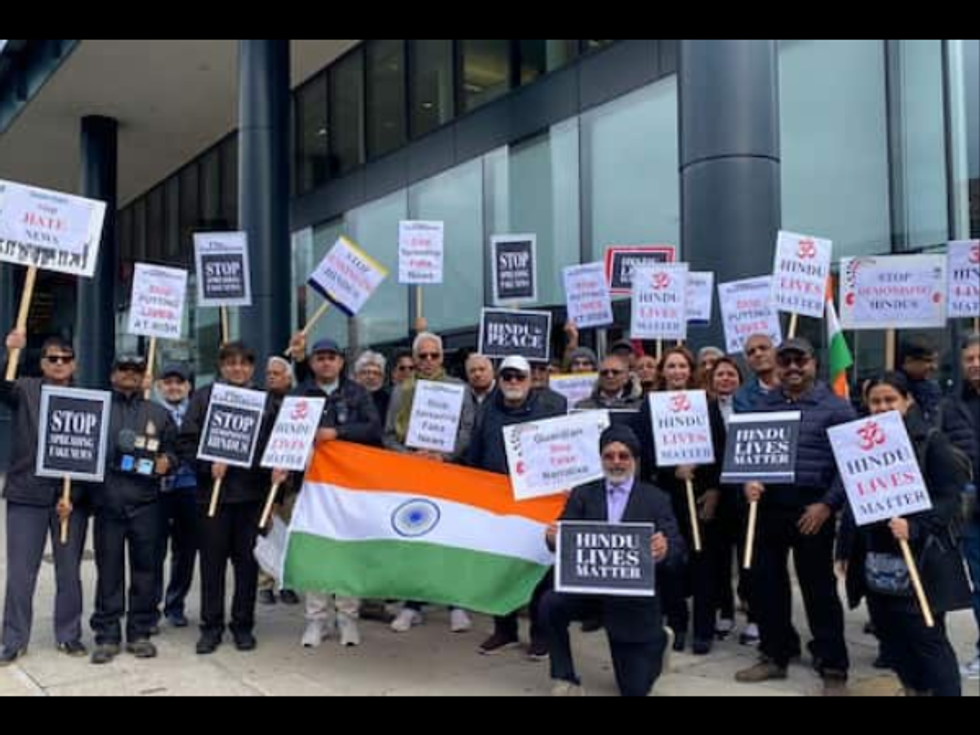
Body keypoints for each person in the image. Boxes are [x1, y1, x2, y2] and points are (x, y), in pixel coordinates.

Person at [840, 373, 972, 697]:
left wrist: (914, 527)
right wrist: (844, 549)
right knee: (890, 636)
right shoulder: (857, 444)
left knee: (927, 639)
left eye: (890, 400)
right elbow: (853, 500)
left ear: (907, 401)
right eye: (876, 401)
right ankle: (914, 688)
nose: (883, 407)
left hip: (921, 562)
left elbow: (951, 499)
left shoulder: (931, 441)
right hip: (876, 561)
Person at [734, 339, 855, 693]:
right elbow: (745, 456)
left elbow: (850, 466)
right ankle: (775, 653)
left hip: (812, 509)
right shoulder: (761, 407)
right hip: (769, 507)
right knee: (766, 586)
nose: (792, 368)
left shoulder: (836, 408)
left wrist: (827, 505)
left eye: (799, 360)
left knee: (819, 589)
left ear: (813, 363)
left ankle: (833, 665)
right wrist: (746, 483)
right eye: (784, 361)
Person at [540, 425, 685, 697]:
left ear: (635, 460)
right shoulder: (583, 494)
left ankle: (658, 639)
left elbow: (678, 548)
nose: (616, 462)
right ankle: (564, 677)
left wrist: (664, 549)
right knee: (550, 603)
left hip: (632, 600)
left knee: (634, 689)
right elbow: (564, 534)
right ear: (601, 459)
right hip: (589, 591)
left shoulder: (656, 499)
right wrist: (551, 538)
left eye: (623, 455)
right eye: (609, 456)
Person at [178, 342, 275, 656]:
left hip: (251, 497)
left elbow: (276, 442)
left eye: (244, 363)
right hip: (213, 497)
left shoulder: (265, 401)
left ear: (251, 368)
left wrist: (277, 474)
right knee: (212, 566)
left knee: (247, 566)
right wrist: (208, 465)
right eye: (231, 363)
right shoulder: (203, 398)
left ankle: (243, 626)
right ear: (221, 366)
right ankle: (211, 627)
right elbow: (186, 442)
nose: (238, 369)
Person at [468, 356, 567, 657]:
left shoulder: (551, 408)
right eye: (507, 376)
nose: (513, 382)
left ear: (529, 380)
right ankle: (504, 630)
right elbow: (475, 454)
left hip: (538, 503)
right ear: (498, 380)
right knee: (501, 569)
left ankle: (541, 634)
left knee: (539, 569)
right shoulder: (486, 411)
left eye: (519, 377)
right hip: (498, 504)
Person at [0, 332, 89, 665]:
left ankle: (69, 635)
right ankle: (13, 639)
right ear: (41, 363)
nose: (60, 364)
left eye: (66, 358)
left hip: (68, 500)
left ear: (74, 363)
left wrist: (76, 496)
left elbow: (89, 455)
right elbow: (1, 386)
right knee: (21, 573)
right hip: (27, 494)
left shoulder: (86, 398)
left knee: (69, 572)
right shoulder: (24, 389)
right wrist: (10, 352)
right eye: (53, 358)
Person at [290, 337, 382, 649]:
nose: (326, 362)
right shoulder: (300, 393)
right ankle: (316, 619)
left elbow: (373, 430)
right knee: (315, 550)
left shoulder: (357, 392)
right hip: (312, 487)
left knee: (347, 550)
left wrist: (337, 433)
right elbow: (286, 434)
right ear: (312, 362)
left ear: (341, 362)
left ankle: (347, 618)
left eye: (331, 357)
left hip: (347, 488)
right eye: (320, 358)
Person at [90, 355, 178, 665]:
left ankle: (140, 631)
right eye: (123, 369)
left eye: (136, 371)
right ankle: (107, 634)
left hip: (147, 505)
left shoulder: (159, 413)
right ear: (112, 374)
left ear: (145, 377)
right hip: (108, 505)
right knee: (109, 572)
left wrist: (169, 461)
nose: (129, 375)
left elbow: (174, 449)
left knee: (146, 571)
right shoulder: (98, 408)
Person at [385, 332, 475, 635]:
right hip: (414, 476)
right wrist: (410, 456)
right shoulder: (401, 391)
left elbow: (466, 429)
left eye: (433, 355)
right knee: (415, 538)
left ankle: (456, 603)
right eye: (421, 356)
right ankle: (413, 605)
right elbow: (387, 435)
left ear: (442, 357)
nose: (427, 361)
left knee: (449, 538)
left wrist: (444, 455)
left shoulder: (459, 389)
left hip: (448, 473)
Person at [940, 334, 980, 680]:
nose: (975, 364)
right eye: (969, 359)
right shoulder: (950, 405)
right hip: (972, 510)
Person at [154, 363, 199, 629]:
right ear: (160, 386)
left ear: (188, 387)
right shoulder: (150, 412)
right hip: (157, 490)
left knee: (185, 551)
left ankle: (175, 604)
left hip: (189, 488)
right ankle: (149, 605)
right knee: (153, 550)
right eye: (168, 382)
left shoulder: (197, 413)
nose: (173, 387)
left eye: (179, 382)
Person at [257, 356, 301, 607]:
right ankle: (265, 583)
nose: (271, 376)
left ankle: (288, 583)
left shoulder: (299, 402)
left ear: (288, 377)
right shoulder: (262, 402)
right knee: (268, 530)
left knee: (290, 534)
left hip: (293, 481)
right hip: (267, 478)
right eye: (269, 373)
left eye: (277, 372)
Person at [899, 336, 943, 426]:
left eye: (935, 361)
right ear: (909, 361)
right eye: (928, 361)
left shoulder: (933, 388)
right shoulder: (892, 388)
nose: (934, 367)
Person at [733, 334, 780, 413]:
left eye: (763, 348)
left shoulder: (796, 386)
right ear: (747, 362)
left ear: (775, 352)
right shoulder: (741, 397)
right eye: (751, 352)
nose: (758, 354)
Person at [354, 351, 391, 424]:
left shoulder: (388, 400)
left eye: (376, 373)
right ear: (357, 376)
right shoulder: (346, 398)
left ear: (382, 378)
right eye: (366, 372)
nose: (371, 377)